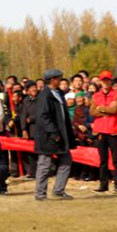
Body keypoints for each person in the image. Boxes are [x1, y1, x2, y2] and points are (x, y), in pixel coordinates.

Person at [34, 69, 76, 201]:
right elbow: (43, 117)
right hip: (49, 136)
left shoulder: (58, 93)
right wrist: (53, 132)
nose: (61, 80)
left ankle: (58, 190)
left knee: (66, 161)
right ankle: (40, 193)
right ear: (52, 80)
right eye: (59, 78)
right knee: (44, 165)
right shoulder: (44, 96)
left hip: (61, 135)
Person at [91, 70, 117, 193]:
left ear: (110, 81)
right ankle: (103, 184)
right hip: (100, 131)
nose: (105, 82)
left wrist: (101, 109)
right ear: (100, 81)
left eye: (107, 80)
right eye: (103, 80)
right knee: (102, 160)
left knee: (116, 160)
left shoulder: (116, 94)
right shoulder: (96, 95)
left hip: (113, 130)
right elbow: (92, 112)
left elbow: (114, 109)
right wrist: (106, 110)